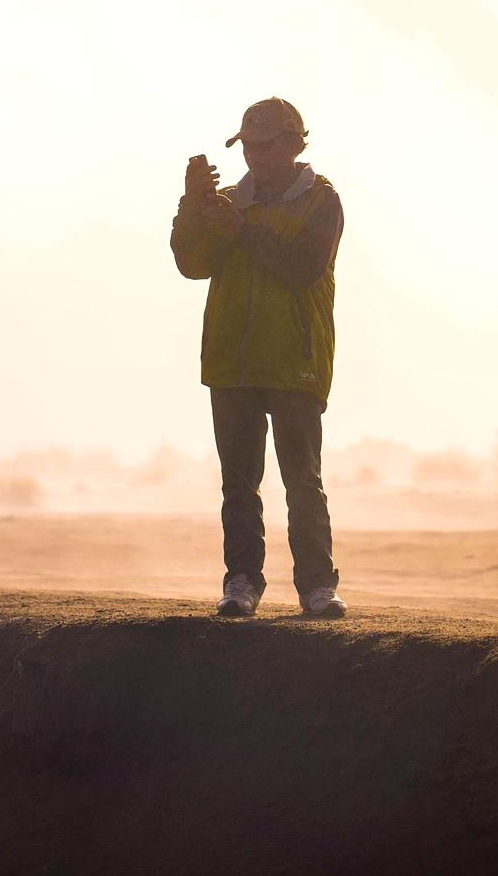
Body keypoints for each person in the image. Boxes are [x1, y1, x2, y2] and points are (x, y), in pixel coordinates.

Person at [170, 97, 347, 618]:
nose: (255, 156)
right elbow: (191, 263)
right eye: (248, 146)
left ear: (295, 144)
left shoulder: (321, 201)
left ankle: (317, 585)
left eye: (266, 146)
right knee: (239, 483)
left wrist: (240, 229)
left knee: (301, 478)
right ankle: (242, 582)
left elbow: (303, 268)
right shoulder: (227, 203)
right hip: (231, 363)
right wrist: (191, 204)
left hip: (296, 361)